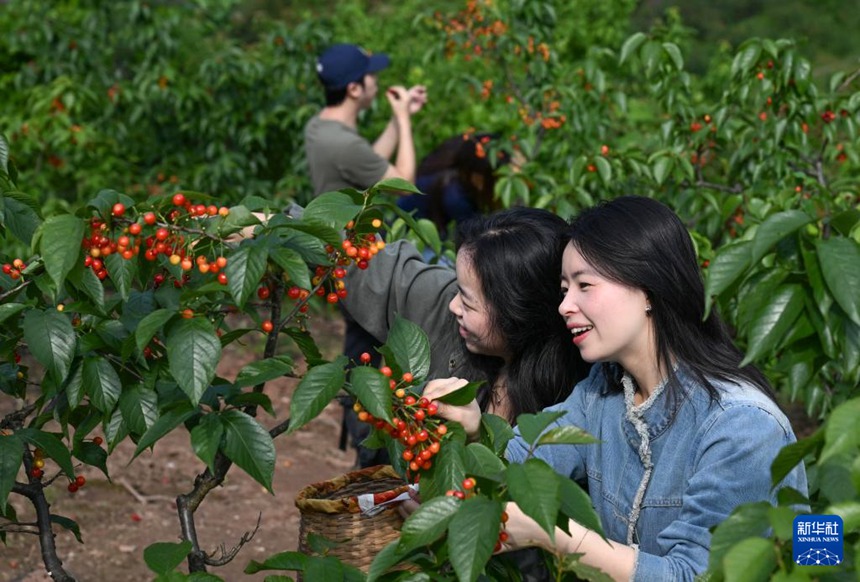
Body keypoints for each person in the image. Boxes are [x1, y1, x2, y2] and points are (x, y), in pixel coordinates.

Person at [422, 196, 809, 581]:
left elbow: (694, 575)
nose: (564, 306)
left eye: (584, 285)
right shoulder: (601, 392)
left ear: (648, 290)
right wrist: (475, 427)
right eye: (563, 289)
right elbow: (526, 460)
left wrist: (554, 535)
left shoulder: (742, 426)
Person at [341, 207, 592, 425]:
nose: (453, 305)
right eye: (457, 290)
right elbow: (368, 266)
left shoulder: (583, 398)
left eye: (468, 303)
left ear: (517, 316)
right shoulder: (441, 307)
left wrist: (476, 438)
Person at [304, 42, 427, 466]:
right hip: (359, 270)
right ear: (356, 89)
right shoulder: (342, 144)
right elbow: (402, 183)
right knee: (366, 360)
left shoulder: (322, 129)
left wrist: (399, 118)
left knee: (363, 353)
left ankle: (366, 448)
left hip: (342, 263)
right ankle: (368, 458)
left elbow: (367, 165)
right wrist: (404, 121)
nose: (377, 80)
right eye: (370, 76)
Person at [397, 132, 504, 239]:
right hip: (409, 232)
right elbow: (472, 237)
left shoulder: (460, 156)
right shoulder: (456, 197)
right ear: (477, 176)